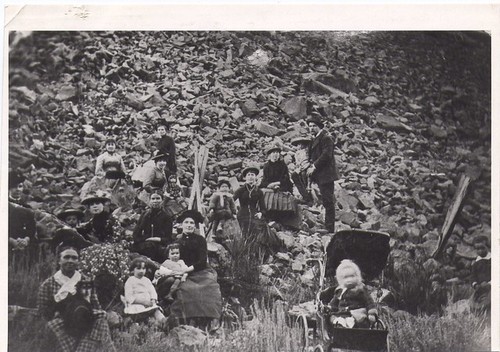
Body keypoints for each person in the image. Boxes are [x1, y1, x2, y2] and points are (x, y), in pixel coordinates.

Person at [37, 246, 114, 352]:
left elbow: (96, 306)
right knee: (53, 325)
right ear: (59, 261)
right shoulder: (48, 284)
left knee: (101, 319)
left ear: (78, 261)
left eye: (74, 258)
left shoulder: (86, 281)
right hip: (63, 322)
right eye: (66, 257)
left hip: (86, 319)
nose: (70, 261)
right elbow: (43, 313)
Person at [161, 210, 222, 330]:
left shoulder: (200, 240)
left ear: (195, 225)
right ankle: (188, 320)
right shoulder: (177, 242)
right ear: (181, 225)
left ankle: (213, 319)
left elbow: (203, 260)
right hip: (183, 274)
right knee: (187, 289)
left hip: (200, 271)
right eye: (186, 222)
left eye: (192, 223)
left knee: (210, 286)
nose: (189, 225)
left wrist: (188, 269)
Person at [306, 114, 339, 232]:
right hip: (319, 174)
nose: (311, 128)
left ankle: (329, 228)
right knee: (325, 200)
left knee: (328, 201)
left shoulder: (326, 138)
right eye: (309, 126)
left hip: (326, 175)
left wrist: (314, 166)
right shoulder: (315, 138)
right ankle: (326, 225)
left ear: (319, 126)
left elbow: (326, 155)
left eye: (313, 126)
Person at [326, 259, 377, 328]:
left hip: (356, 314)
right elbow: (334, 302)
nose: (349, 280)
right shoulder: (340, 291)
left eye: (352, 276)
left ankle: (348, 327)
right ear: (341, 278)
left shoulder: (360, 290)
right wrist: (330, 307)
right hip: (341, 314)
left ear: (357, 276)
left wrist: (371, 313)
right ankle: (340, 325)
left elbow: (369, 302)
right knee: (333, 318)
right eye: (346, 277)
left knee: (354, 321)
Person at [132, 191, 174, 263]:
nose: (155, 201)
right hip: (145, 243)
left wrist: (157, 239)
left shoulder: (167, 216)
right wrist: (146, 239)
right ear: (149, 200)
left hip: (160, 245)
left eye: (158, 198)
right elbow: (136, 234)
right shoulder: (145, 214)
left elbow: (168, 238)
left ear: (162, 200)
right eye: (153, 199)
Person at [123, 258, 166, 326]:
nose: (141, 271)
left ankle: (164, 321)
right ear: (133, 270)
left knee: (156, 311)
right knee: (143, 316)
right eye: (138, 268)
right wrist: (143, 302)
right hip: (137, 305)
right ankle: (148, 323)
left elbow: (152, 291)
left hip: (148, 305)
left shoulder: (147, 280)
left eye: (143, 268)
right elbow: (129, 297)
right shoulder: (130, 281)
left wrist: (153, 300)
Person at [233, 166, 266, 237]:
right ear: (245, 178)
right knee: (244, 234)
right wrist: (233, 212)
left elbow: (263, 207)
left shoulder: (259, 191)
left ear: (256, 177)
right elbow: (231, 201)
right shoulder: (240, 190)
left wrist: (260, 213)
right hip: (242, 215)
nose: (250, 177)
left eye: (252, 175)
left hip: (254, 216)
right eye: (248, 175)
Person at [470, 235, 490, 312]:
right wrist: (475, 285)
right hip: (480, 288)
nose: (480, 251)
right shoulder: (476, 263)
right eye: (478, 249)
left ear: (487, 247)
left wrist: (489, 283)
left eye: (482, 248)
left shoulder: (492, 259)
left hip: (491, 286)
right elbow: (473, 276)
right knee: (474, 304)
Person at [290, 136, 313, 203]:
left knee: (305, 175)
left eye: (300, 144)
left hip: (307, 165)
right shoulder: (297, 154)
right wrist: (298, 167)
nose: (299, 146)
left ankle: (308, 192)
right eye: (298, 145)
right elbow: (297, 162)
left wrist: (307, 165)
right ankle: (305, 195)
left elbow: (309, 160)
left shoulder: (307, 151)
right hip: (300, 167)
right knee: (294, 175)